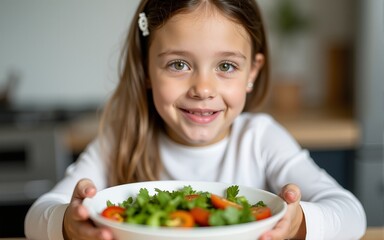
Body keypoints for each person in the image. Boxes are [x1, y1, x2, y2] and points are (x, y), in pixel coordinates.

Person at [24, 0, 366, 239]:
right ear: (146, 70)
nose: (203, 89)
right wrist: (69, 225)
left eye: (226, 66)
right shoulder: (120, 140)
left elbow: (352, 213)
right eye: (178, 64)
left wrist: (300, 222)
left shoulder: (260, 138)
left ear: (252, 72)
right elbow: (36, 216)